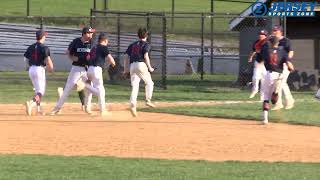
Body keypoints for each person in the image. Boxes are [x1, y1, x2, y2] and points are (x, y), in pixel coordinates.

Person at [50, 26, 95, 115]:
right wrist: (73, 58)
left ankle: (87, 107)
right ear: (85, 33)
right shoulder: (76, 42)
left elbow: (94, 54)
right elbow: (68, 52)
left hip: (87, 69)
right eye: (90, 33)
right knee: (68, 88)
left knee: (90, 88)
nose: (91, 34)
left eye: (92, 33)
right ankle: (57, 108)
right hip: (77, 68)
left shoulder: (92, 43)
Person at [261, 36, 294, 124]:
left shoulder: (266, 50)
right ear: (278, 43)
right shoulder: (282, 51)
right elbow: (289, 64)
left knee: (266, 97)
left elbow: (261, 57)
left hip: (270, 74)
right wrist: (291, 68)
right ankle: (276, 93)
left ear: (270, 43)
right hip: (280, 75)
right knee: (275, 95)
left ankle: (265, 119)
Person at [123, 27, 156, 117]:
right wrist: (150, 67)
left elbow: (126, 56)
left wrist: (125, 70)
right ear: (147, 36)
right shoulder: (146, 44)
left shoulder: (133, 44)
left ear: (138, 35)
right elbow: (145, 56)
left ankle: (133, 104)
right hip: (141, 64)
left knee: (135, 86)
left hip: (132, 66)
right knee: (149, 83)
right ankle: (148, 100)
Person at [81, 33, 116, 116]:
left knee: (90, 91)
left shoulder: (94, 48)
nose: (107, 42)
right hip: (96, 70)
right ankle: (102, 110)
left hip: (89, 69)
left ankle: (87, 107)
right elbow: (110, 58)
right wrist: (113, 63)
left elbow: (88, 58)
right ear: (104, 40)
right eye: (107, 41)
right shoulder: (103, 47)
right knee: (101, 91)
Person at [24, 30, 54, 115]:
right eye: (45, 36)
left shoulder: (31, 47)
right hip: (39, 69)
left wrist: (27, 67)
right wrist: (51, 69)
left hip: (31, 69)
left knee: (37, 90)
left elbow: (25, 58)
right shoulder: (45, 48)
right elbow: (48, 60)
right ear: (43, 37)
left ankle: (38, 109)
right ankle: (31, 102)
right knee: (41, 92)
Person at [271, 25, 295, 110]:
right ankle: (281, 103)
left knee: (281, 83)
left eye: (275, 31)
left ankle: (289, 101)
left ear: (280, 32)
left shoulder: (286, 41)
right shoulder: (272, 40)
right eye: (273, 30)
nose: (274, 32)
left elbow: (291, 52)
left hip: (284, 64)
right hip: (276, 66)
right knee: (278, 84)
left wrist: (287, 61)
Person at [248, 30, 268, 100]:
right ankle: (255, 90)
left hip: (266, 64)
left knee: (264, 80)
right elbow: (254, 50)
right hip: (258, 62)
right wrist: (251, 57)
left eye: (262, 34)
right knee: (255, 77)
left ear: (265, 36)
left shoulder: (267, 43)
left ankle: (262, 96)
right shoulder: (256, 42)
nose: (260, 35)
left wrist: (264, 62)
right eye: (260, 34)